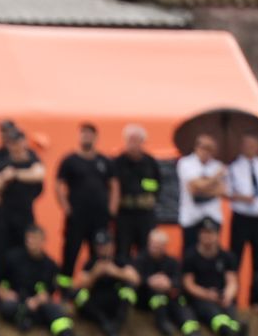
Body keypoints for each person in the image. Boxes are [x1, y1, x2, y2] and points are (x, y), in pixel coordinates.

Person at [0, 225, 86, 336]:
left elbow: (49, 291)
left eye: (35, 239)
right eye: (29, 239)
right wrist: (3, 292)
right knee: (7, 307)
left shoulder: (50, 265)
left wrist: (39, 299)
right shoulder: (13, 258)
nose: (31, 242)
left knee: (54, 310)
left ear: (43, 241)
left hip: (38, 305)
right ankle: (26, 320)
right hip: (17, 302)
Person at [0, 121, 45, 278]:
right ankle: (1, 286)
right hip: (3, 216)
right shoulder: (0, 161)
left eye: (18, 142)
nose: (15, 146)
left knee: (24, 250)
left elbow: (39, 173)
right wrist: (4, 178)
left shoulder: (31, 160)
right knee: (0, 251)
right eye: (12, 143)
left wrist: (16, 174)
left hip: (24, 214)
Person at [54, 123, 114, 289]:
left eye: (90, 134)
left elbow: (114, 185)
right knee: (70, 253)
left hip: (99, 217)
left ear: (96, 137)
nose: (86, 137)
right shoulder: (69, 160)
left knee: (98, 255)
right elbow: (58, 184)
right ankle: (65, 291)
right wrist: (65, 207)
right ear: (79, 137)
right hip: (77, 217)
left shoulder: (104, 161)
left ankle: (95, 289)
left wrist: (112, 209)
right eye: (83, 134)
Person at [134, 228, 214, 336]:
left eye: (158, 246)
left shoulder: (172, 262)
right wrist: (149, 281)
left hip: (170, 298)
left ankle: (192, 334)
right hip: (145, 300)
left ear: (164, 247)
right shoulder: (140, 259)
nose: (154, 249)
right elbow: (135, 279)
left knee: (181, 303)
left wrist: (169, 283)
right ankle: (163, 323)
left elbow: (179, 281)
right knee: (157, 294)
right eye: (152, 245)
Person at [181, 219, 249, 336]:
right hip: (200, 298)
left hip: (222, 296)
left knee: (230, 313)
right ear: (199, 235)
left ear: (218, 235)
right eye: (204, 233)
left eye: (211, 233)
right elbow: (188, 284)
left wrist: (228, 295)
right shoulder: (190, 255)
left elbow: (232, 281)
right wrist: (207, 294)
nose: (207, 237)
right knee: (215, 315)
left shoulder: (227, 256)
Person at [224, 132, 258, 282]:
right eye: (248, 145)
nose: (251, 148)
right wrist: (241, 197)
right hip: (241, 217)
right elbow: (225, 192)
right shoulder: (232, 166)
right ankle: (232, 298)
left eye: (254, 145)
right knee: (235, 257)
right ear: (241, 146)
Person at [72, 231, 139, 336]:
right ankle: (105, 324)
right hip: (96, 303)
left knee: (130, 289)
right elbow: (77, 284)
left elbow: (136, 278)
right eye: (99, 246)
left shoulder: (120, 260)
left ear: (112, 246)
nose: (102, 249)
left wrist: (115, 272)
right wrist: (94, 274)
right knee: (77, 294)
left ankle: (116, 325)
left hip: (114, 301)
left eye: (105, 245)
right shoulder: (91, 262)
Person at [110, 124, 164, 262]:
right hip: (125, 213)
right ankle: (123, 282)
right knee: (122, 249)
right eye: (130, 140)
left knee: (146, 249)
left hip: (145, 213)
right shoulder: (117, 162)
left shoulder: (150, 162)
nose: (132, 144)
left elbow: (157, 184)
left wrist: (144, 190)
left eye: (136, 140)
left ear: (143, 142)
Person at [176, 133, 228, 245]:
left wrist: (203, 185)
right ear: (196, 147)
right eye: (204, 148)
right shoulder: (186, 163)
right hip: (191, 217)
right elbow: (194, 189)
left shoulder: (217, 165)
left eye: (211, 149)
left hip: (213, 215)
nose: (207, 152)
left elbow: (222, 190)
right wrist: (215, 178)